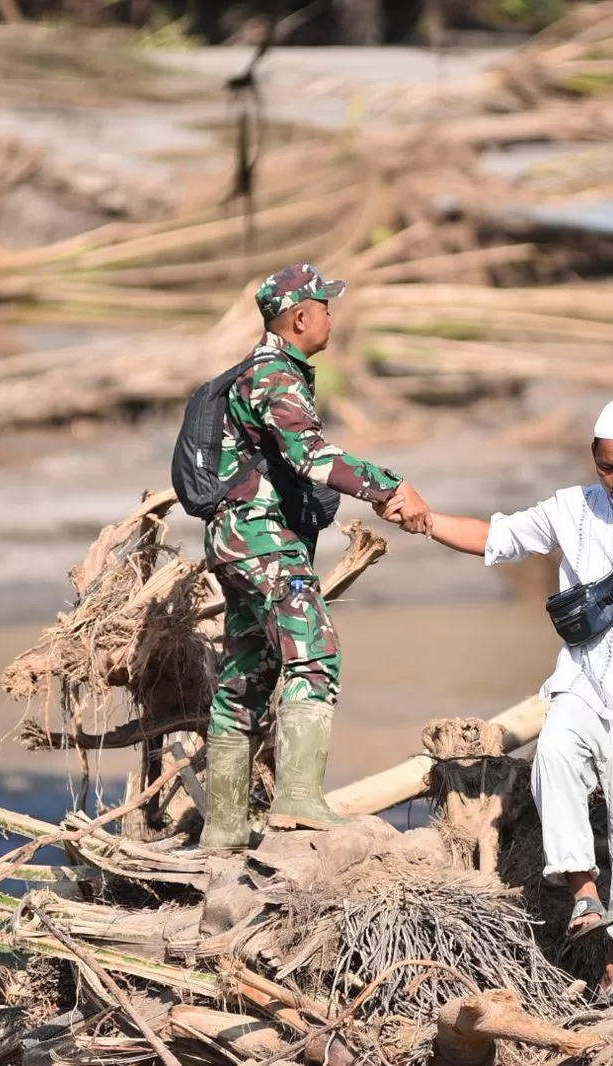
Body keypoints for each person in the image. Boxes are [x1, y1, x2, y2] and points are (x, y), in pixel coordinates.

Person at [380, 397, 613, 1006]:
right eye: (609, 468)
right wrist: (425, 519)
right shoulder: (571, 510)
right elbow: (494, 537)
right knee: (554, 754)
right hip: (585, 683)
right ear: (595, 460)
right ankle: (583, 888)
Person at [199, 263, 431, 851]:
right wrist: (388, 489)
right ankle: (298, 800)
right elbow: (312, 457)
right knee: (314, 650)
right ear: (301, 317)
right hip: (261, 538)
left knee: (245, 676)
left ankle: (222, 830)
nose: (332, 314)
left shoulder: (263, 372)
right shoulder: (275, 376)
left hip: (238, 540)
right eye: (325, 306)